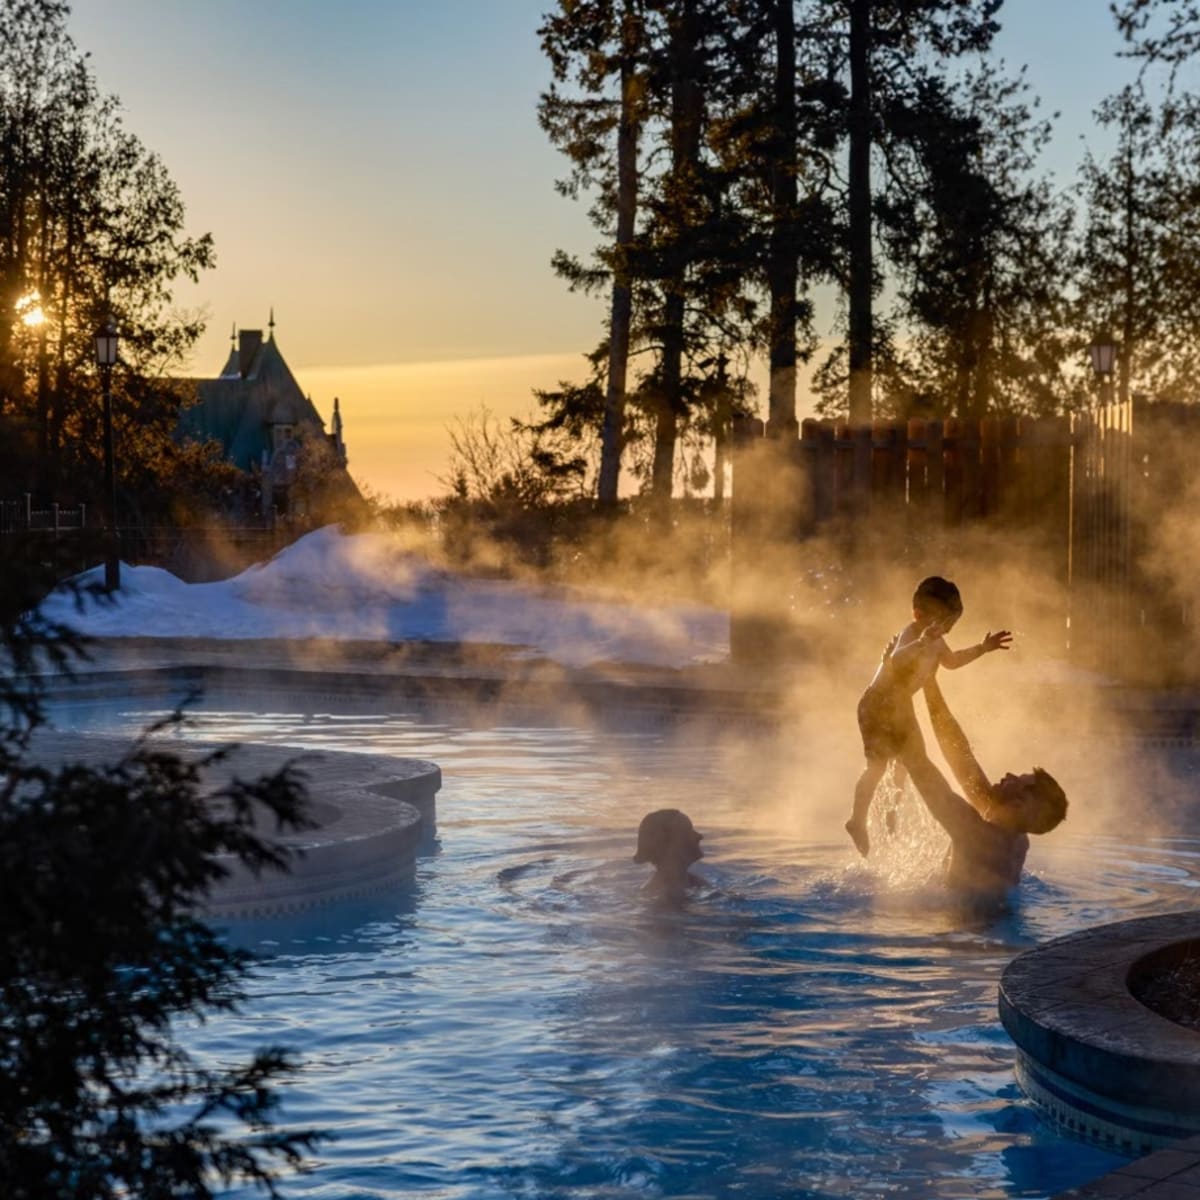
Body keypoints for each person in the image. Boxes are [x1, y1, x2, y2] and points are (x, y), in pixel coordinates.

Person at [846, 576, 1011, 856]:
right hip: (876, 704)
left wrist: (983, 648)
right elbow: (895, 660)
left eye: (951, 623)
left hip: (901, 708)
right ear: (918, 615)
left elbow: (952, 662)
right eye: (942, 622)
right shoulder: (912, 634)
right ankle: (857, 820)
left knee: (907, 767)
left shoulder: (936, 642)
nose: (945, 630)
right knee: (877, 766)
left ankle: (891, 814)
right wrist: (922, 642)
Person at [903, 675, 1068, 904]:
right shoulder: (1015, 835)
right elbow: (959, 753)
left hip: (964, 931)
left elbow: (920, 768)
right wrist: (929, 682)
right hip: (995, 927)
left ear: (1019, 804)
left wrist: (895, 702)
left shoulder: (978, 837)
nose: (1008, 775)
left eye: (1016, 780)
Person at [633, 808, 705, 904]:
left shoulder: (691, 881)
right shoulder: (665, 895)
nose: (699, 836)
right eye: (688, 831)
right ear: (669, 845)